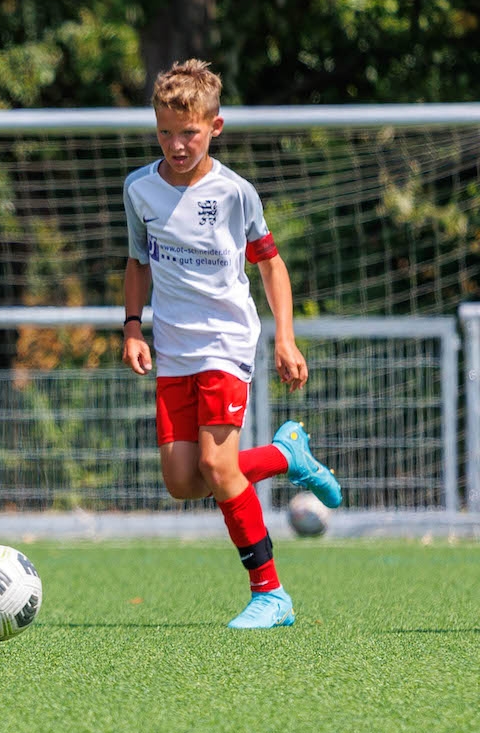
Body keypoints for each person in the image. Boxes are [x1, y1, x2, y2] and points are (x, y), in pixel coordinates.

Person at [121, 59, 341, 629]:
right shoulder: (139, 189)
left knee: (217, 467)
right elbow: (138, 262)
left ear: (214, 127)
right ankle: (285, 456)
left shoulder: (236, 192)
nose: (176, 145)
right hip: (173, 349)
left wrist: (285, 337)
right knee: (181, 481)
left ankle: (271, 594)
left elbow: (271, 265)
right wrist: (132, 327)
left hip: (226, 342)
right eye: (165, 132)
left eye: (189, 132)